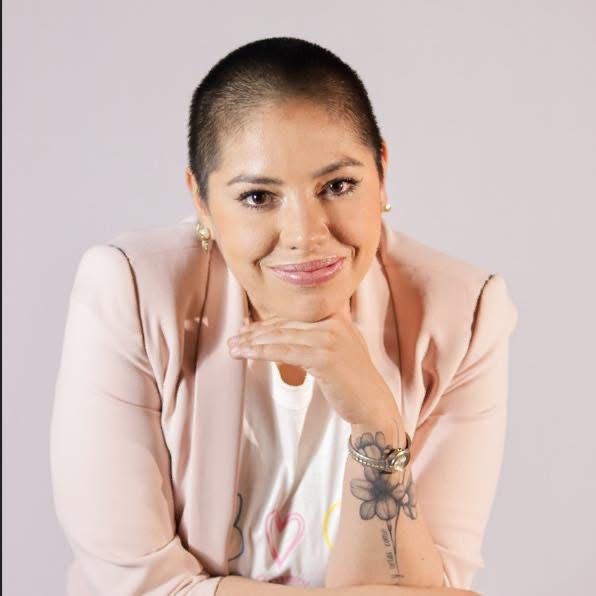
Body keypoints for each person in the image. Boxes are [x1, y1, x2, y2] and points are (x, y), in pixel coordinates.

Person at [49, 37, 518, 596]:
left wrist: (376, 423)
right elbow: (138, 585)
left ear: (382, 174)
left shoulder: (462, 315)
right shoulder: (131, 292)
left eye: (338, 186)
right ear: (201, 201)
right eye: (257, 197)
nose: (305, 234)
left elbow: (429, 583)